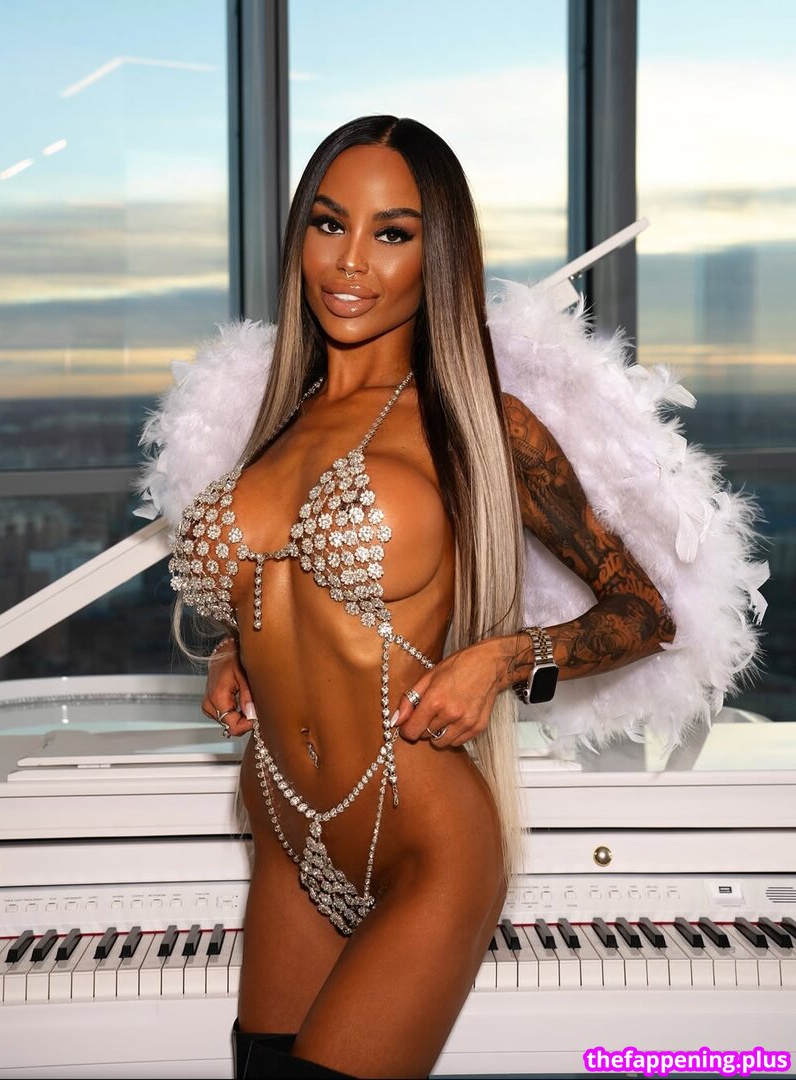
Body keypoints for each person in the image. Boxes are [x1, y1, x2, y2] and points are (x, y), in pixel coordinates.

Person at [169, 115, 676, 1079]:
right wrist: (239, 648)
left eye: (392, 233)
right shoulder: (274, 422)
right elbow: (288, 584)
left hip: (423, 842)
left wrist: (504, 659)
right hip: (286, 822)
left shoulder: (480, 427)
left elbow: (644, 611)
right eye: (329, 224)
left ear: (437, 255)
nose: (350, 262)